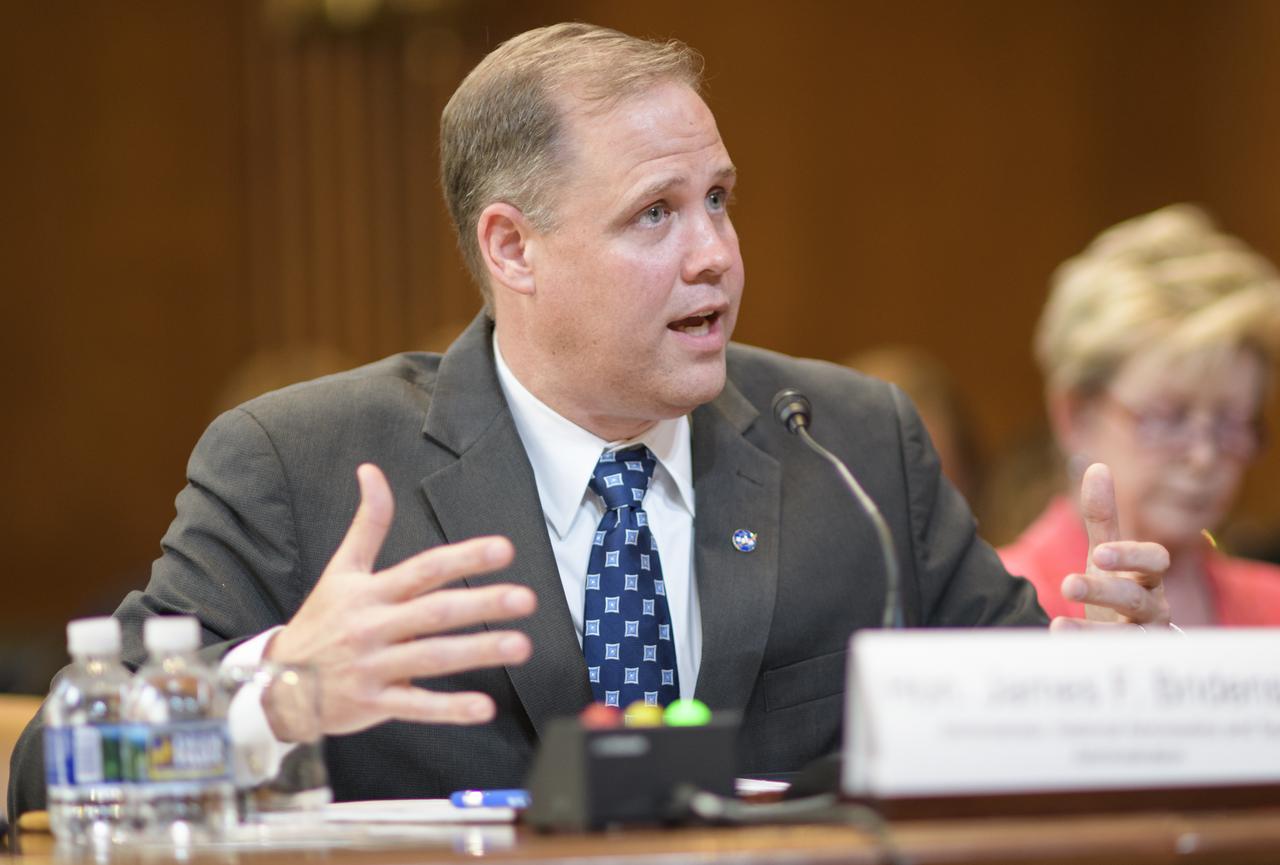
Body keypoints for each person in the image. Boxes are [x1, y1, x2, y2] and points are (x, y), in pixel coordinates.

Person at [9, 23, 1172, 817]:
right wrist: (272, 695)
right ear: (512, 246)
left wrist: (1104, 690)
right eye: (654, 214)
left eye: (717, 198)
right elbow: (43, 775)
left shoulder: (853, 443)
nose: (715, 253)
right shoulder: (300, 464)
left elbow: (1020, 725)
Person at [1000, 204, 1280, 625]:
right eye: (1169, 417)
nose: (1203, 456)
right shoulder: (999, 605)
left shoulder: (1271, 606)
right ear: (1075, 415)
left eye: (1230, 421)